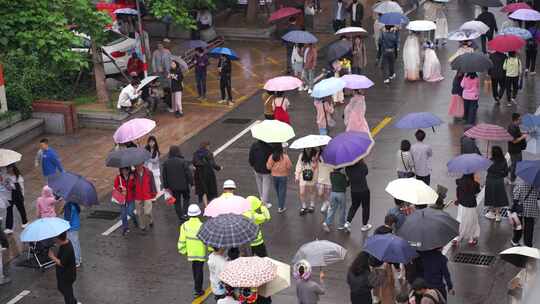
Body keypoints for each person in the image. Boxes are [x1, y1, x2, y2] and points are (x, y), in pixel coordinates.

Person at [178, 204, 209, 298]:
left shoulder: (184, 226)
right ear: (198, 213)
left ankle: (197, 288)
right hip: (200, 253)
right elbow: (207, 240)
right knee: (199, 271)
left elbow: (181, 240)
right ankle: (198, 290)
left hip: (190, 252)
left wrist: (183, 251)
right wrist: (211, 250)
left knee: (194, 269)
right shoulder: (202, 226)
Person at [162, 145, 193, 222]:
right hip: (184, 185)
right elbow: (188, 173)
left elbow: (164, 176)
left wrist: (166, 186)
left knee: (177, 202)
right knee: (186, 198)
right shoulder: (182, 161)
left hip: (173, 187)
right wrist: (192, 183)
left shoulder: (166, 163)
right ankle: (185, 213)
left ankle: (180, 216)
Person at [48, 232, 78, 304]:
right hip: (63, 274)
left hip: (67, 276)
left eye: (55, 239)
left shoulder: (68, 249)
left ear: (59, 239)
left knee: (67, 295)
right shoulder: (65, 243)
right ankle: (74, 301)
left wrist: (52, 256)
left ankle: (72, 302)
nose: (54, 240)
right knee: (61, 288)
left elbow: (61, 263)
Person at [454, 174, 481, 246]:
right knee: (472, 222)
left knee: (460, 220)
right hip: (471, 206)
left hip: (462, 206)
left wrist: (458, 201)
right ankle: (471, 239)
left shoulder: (459, 182)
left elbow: (458, 194)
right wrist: (477, 182)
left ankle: (456, 238)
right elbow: (477, 191)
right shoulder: (474, 184)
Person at [511, 180, 540, 247]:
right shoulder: (537, 186)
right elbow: (538, 196)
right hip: (531, 209)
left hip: (520, 208)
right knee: (529, 227)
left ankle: (515, 240)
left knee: (518, 225)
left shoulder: (520, 184)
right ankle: (528, 244)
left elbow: (515, 197)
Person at [484, 146, 509, 222]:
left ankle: (491, 212)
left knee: (490, 196)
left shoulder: (490, 161)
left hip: (490, 180)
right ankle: (498, 215)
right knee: (498, 198)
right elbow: (506, 172)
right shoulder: (503, 160)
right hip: (499, 181)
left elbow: (487, 169)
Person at [193, 141, 222, 206]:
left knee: (203, 190)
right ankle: (211, 204)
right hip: (208, 173)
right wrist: (219, 168)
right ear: (207, 146)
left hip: (199, 173)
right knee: (211, 188)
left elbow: (194, 162)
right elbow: (212, 164)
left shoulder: (196, 153)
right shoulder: (209, 153)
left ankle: (206, 205)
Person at [345, 160, 371, 232]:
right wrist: (363, 162)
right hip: (364, 189)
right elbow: (366, 172)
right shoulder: (362, 164)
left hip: (354, 190)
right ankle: (364, 225)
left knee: (354, 206)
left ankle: (348, 222)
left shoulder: (347, 167)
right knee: (365, 207)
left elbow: (349, 177)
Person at [266, 144, 292, 213]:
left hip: (274, 176)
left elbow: (268, 167)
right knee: (282, 192)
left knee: (278, 191)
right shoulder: (285, 157)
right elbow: (289, 166)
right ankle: (281, 207)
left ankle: (280, 203)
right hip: (283, 176)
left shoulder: (272, 157)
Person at [3, 164, 28, 234]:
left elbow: (21, 188)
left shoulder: (18, 177)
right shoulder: (6, 176)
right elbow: (4, 185)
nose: (8, 169)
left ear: (13, 168)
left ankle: (25, 222)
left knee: (21, 209)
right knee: (9, 211)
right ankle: (9, 227)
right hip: (9, 196)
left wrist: (22, 196)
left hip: (17, 195)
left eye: (9, 168)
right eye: (7, 168)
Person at [322, 168, 349, 232]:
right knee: (342, 209)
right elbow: (345, 185)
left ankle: (326, 223)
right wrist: (348, 180)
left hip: (333, 193)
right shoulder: (342, 176)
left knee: (332, 209)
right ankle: (341, 225)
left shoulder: (331, 174)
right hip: (341, 194)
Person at [249, 140, 273, 208]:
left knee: (259, 184)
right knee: (265, 186)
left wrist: (252, 164)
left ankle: (261, 199)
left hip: (256, 168)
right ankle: (264, 203)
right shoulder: (269, 147)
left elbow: (251, 156)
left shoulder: (254, 145)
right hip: (266, 170)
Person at [113, 167, 137, 235]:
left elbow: (135, 187)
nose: (125, 172)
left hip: (130, 198)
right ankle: (125, 228)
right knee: (123, 214)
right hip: (122, 199)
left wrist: (132, 181)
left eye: (126, 170)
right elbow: (115, 187)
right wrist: (120, 189)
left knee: (130, 212)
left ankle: (135, 219)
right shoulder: (119, 178)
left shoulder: (132, 176)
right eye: (123, 170)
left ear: (128, 170)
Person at [133, 163, 157, 231]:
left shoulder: (149, 172)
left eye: (139, 164)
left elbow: (152, 183)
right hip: (137, 196)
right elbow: (131, 186)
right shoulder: (132, 174)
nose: (137, 166)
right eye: (136, 165)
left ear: (142, 164)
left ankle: (151, 220)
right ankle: (142, 226)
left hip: (147, 195)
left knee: (147, 212)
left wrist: (154, 193)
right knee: (139, 213)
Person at [508, 113, 527, 184]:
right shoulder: (512, 128)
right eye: (520, 119)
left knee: (517, 163)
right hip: (514, 150)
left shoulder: (515, 126)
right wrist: (523, 137)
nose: (521, 120)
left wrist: (524, 133)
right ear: (516, 120)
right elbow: (514, 141)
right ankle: (512, 180)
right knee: (515, 165)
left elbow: (517, 134)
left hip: (517, 149)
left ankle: (507, 170)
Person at [64, 201, 81, 266]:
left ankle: (76, 261)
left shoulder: (68, 205)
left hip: (71, 227)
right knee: (76, 243)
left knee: (73, 244)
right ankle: (79, 258)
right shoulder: (75, 203)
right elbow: (79, 211)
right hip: (76, 225)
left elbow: (68, 219)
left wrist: (65, 227)